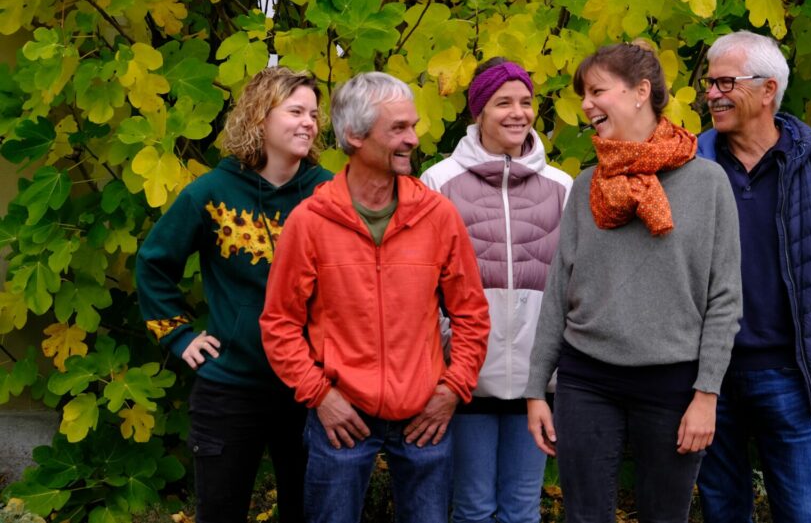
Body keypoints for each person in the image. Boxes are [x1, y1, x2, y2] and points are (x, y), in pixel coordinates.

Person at [524, 41, 743, 523]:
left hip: (673, 385)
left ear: (641, 91)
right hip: (587, 380)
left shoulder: (708, 184)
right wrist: (536, 389)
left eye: (597, 90)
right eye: (584, 94)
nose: (585, 104)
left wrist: (707, 395)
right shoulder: (585, 186)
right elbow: (558, 291)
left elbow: (725, 299)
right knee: (584, 517)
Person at [259, 72, 491, 523]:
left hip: (426, 414)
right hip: (341, 418)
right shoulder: (310, 221)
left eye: (412, 125)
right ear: (354, 135)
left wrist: (452, 389)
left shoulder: (438, 216)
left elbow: (471, 314)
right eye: (398, 129)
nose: (413, 138)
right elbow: (279, 323)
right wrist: (319, 396)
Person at [136, 67, 333, 523]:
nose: (309, 122)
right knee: (221, 512)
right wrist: (179, 337)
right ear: (261, 117)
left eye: (315, 114)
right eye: (296, 111)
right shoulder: (212, 192)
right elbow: (154, 262)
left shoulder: (329, 194)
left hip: (312, 387)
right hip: (231, 387)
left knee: (309, 514)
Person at [694, 30, 811, 522]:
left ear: (768, 89)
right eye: (709, 83)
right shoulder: (690, 167)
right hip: (708, 376)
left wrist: (808, 339)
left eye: (726, 82)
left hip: (788, 375)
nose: (712, 93)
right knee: (722, 509)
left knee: (800, 511)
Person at [420, 58, 573, 523]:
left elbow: (572, 287)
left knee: (523, 511)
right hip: (465, 380)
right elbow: (427, 288)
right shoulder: (438, 182)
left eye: (526, 102)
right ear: (478, 112)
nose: (517, 113)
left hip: (537, 383)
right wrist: (448, 357)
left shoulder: (561, 186)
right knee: (472, 509)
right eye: (503, 102)